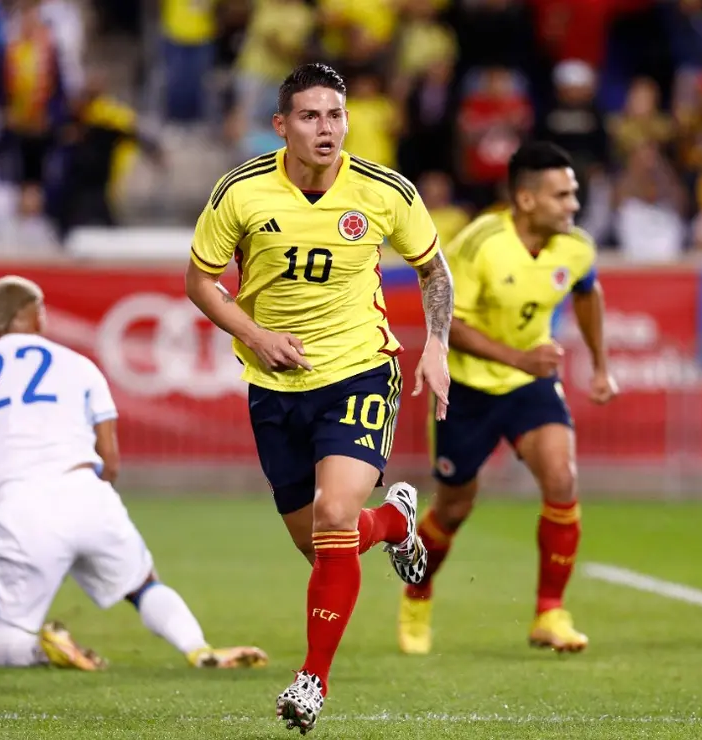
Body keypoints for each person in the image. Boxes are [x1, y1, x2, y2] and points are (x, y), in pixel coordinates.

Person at [184, 62, 454, 734]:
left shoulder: (384, 189)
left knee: (336, 513)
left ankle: (312, 681)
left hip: (358, 371)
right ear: (281, 126)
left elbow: (432, 268)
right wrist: (255, 334)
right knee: (325, 548)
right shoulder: (241, 192)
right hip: (274, 386)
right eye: (310, 116)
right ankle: (394, 522)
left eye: (335, 115)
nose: (326, 128)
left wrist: (439, 348)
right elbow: (199, 282)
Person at [0, 275, 268, 672]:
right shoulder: (80, 366)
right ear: (39, 317)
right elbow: (109, 461)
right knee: (144, 585)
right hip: (87, 493)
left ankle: (43, 651)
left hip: (22, 509)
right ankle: (199, 649)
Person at [397, 142, 617, 656]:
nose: (572, 205)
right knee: (453, 507)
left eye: (574, 194)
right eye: (561, 195)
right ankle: (418, 592)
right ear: (525, 199)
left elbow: (587, 291)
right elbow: (448, 320)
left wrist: (601, 364)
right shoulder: (478, 244)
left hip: (529, 387)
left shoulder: (576, 247)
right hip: (468, 388)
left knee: (562, 479)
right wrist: (519, 359)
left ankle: (550, 613)